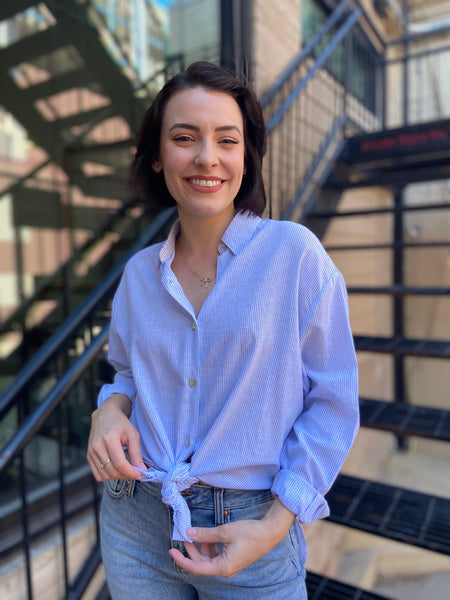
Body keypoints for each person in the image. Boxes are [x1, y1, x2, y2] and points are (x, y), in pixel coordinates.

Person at [87, 61, 359, 600]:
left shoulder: (296, 255)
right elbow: (125, 375)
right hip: (136, 519)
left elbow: (333, 400)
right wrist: (107, 411)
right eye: (184, 137)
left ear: (245, 156)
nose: (206, 157)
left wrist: (276, 524)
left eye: (226, 140)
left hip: (251, 528)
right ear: (159, 157)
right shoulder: (140, 274)